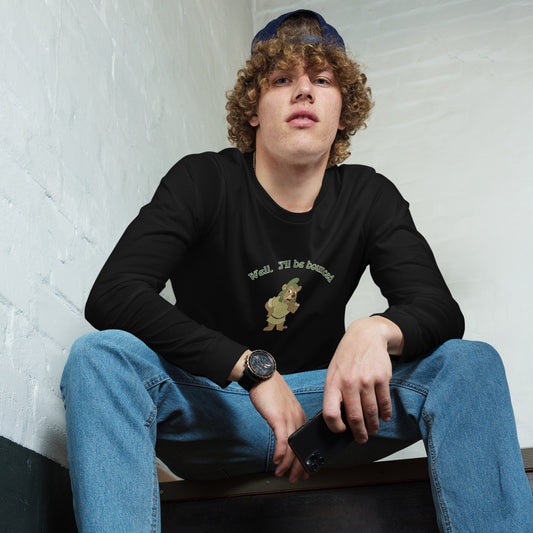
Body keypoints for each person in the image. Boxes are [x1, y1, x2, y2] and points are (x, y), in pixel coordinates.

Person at [61, 9, 533, 532]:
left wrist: (375, 330)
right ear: (253, 110)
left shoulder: (368, 195)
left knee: (469, 364)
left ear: (342, 113)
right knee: (99, 357)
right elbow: (114, 293)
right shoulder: (204, 180)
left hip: (329, 419)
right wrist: (251, 369)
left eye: (322, 81)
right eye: (282, 78)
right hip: (216, 408)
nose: (304, 91)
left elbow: (439, 309)